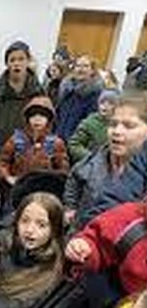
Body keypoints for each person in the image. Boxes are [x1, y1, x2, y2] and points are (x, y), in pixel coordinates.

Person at [63, 94, 147, 228]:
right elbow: (74, 179)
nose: (117, 131)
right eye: (113, 124)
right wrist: (71, 208)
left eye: (129, 126)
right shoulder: (94, 160)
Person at [0, 40, 44, 158]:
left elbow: (46, 120)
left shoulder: (37, 91)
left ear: (28, 61)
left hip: (25, 151)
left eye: (21, 59)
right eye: (12, 60)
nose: (16, 63)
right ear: (7, 64)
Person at [0, 96, 69, 190]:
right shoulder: (16, 140)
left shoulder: (56, 143)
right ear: (27, 119)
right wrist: (7, 177)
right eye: (33, 116)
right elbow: (2, 162)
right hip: (19, 188)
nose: (37, 119)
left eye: (42, 116)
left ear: (49, 119)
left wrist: (54, 183)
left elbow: (63, 170)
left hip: (45, 190)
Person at [56, 55, 103, 142]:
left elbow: (91, 123)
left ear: (92, 70)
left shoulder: (95, 94)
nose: (81, 69)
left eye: (85, 66)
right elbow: (58, 114)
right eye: (78, 66)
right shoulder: (67, 89)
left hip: (76, 142)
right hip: (58, 139)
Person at [68, 89, 119, 164]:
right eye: (102, 102)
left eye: (110, 103)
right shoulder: (89, 123)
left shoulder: (120, 125)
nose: (105, 106)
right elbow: (74, 144)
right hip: (92, 166)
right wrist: (90, 157)